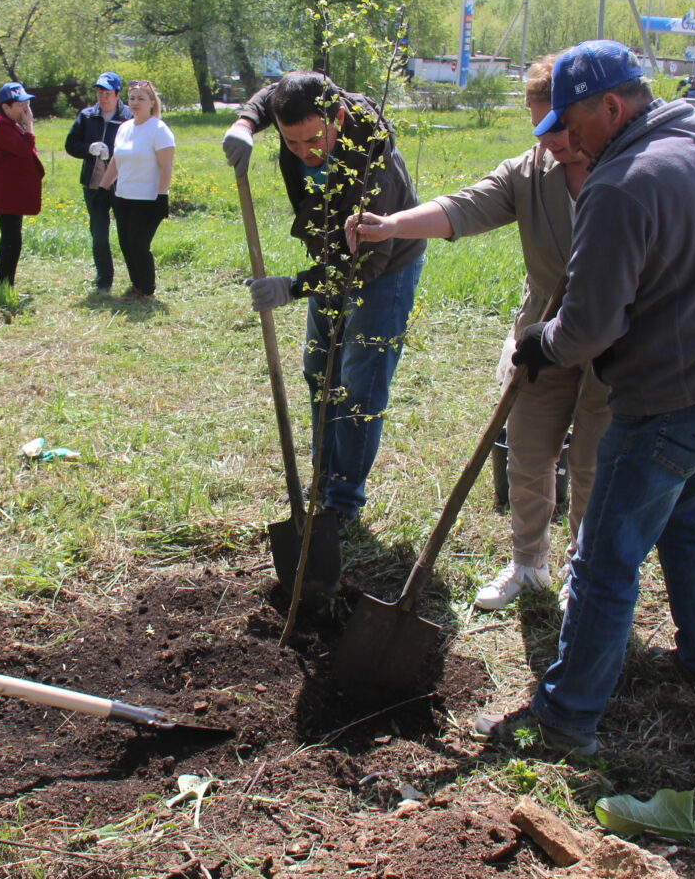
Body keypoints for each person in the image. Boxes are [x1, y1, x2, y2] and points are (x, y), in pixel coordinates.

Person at [472, 40, 695, 756]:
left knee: (604, 558)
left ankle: (565, 715)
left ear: (612, 106)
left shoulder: (617, 186)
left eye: (573, 122)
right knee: (684, 523)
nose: (564, 139)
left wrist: (538, 344)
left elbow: (587, 330)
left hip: (676, 399)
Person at [347, 57, 611, 610]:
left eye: (559, 127)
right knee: (528, 452)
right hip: (542, 335)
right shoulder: (529, 173)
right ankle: (527, 564)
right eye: (539, 128)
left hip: (612, 341)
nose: (552, 141)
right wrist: (390, 225)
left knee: (592, 460)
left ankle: (579, 576)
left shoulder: (627, 168)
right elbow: (463, 208)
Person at [222, 71, 424, 527]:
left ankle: (343, 502)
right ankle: (326, 475)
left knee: (358, 386)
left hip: (384, 269)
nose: (304, 152)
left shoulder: (373, 161)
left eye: (314, 140)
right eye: (292, 144)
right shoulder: (299, 113)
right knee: (319, 370)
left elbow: (367, 265)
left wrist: (294, 287)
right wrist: (245, 123)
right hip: (331, 258)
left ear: (337, 115)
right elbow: (271, 94)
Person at [97, 80, 175, 302]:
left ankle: (147, 290)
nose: (135, 102)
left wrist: (162, 195)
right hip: (123, 197)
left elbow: (166, 165)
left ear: (152, 102)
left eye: (141, 98)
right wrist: (103, 187)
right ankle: (136, 286)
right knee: (126, 245)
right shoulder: (124, 127)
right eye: (132, 98)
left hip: (148, 198)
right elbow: (116, 161)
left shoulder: (159, 130)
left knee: (139, 245)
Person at [64, 72, 131, 294]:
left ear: (117, 94)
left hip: (122, 184)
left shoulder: (128, 117)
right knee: (99, 233)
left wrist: (110, 153)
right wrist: (88, 149)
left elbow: (135, 149)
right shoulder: (87, 116)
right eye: (100, 92)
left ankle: (136, 278)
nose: (103, 97)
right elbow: (71, 144)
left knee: (128, 232)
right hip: (94, 185)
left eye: (108, 93)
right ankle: (104, 279)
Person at [0, 82, 45, 287]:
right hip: (4, 194)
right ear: (5, 107)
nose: (25, 109)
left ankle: (6, 283)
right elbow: (24, 149)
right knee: (10, 240)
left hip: (11, 193)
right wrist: (30, 127)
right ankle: (4, 284)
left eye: (27, 103)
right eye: (20, 105)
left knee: (13, 239)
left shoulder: (11, 124)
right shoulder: (0, 126)